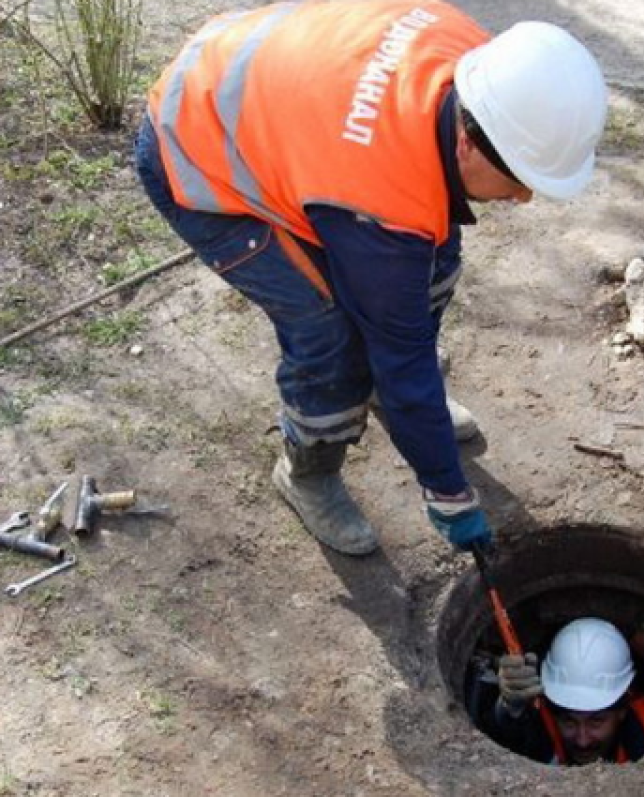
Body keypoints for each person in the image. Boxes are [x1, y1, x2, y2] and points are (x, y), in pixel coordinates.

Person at [135, 1, 608, 556]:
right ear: (467, 141)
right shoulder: (378, 202)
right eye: (518, 178)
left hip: (288, 117)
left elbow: (408, 283)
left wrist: (412, 396)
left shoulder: (484, 69)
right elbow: (399, 344)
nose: (524, 197)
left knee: (428, 265)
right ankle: (306, 473)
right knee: (331, 335)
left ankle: (396, 402)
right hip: (197, 140)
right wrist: (446, 491)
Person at [485, 618, 644, 765]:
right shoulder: (540, 717)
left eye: (596, 721)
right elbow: (506, 739)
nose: (582, 740)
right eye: (569, 721)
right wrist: (508, 708)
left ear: (622, 709)